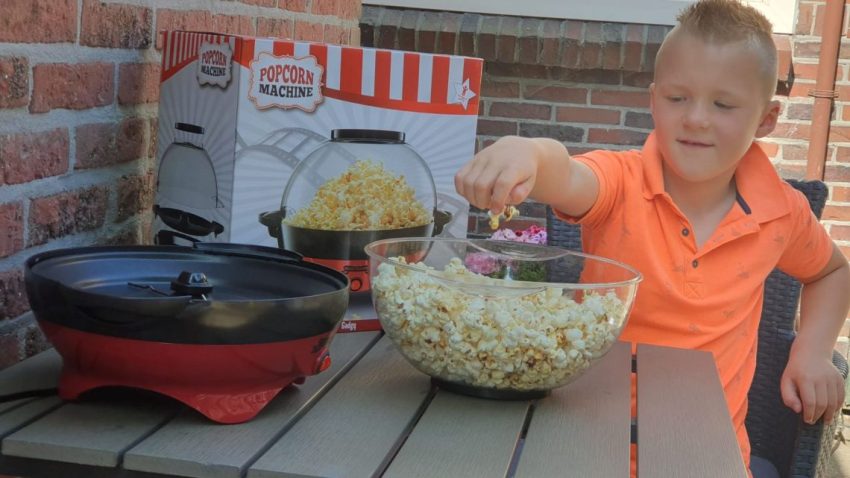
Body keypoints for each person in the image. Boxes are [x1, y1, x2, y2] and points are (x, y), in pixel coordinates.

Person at [454, 0, 850, 475]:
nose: (696, 118)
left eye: (723, 104)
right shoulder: (620, 182)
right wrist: (528, 154)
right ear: (653, 99)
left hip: (709, 455)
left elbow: (831, 271)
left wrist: (812, 352)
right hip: (585, 448)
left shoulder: (782, 212)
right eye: (677, 98)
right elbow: (568, 175)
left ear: (767, 119)